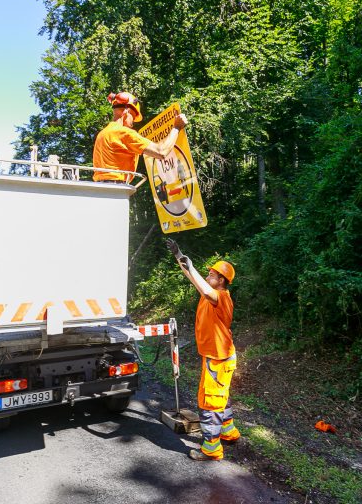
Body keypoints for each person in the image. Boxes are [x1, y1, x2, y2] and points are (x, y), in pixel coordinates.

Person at [166, 238, 240, 461]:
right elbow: (194, 279)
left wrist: (188, 262)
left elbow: (205, 290)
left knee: (209, 402)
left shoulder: (221, 297)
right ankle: (229, 432)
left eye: (211, 275)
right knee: (221, 397)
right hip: (217, 356)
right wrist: (180, 256)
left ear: (220, 280)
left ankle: (211, 449)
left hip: (218, 358)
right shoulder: (209, 294)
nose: (207, 276)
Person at [92, 91, 188, 183]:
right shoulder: (123, 132)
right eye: (132, 118)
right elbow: (161, 151)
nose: (132, 124)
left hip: (101, 187)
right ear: (126, 111)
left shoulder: (102, 134)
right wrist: (177, 127)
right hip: (117, 188)